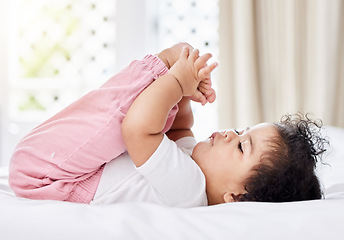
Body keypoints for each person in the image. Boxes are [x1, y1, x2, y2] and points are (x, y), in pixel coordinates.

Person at [8, 43, 327, 207]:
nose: (232, 133)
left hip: (53, 180)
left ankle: (161, 61)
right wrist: (187, 94)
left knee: (125, 111)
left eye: (242, 145)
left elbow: (137, 131)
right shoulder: (194, 164)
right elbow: (177, 131)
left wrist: (175, 79)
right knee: (161, 109)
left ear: (235, 198)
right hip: (73, 171)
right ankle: (162, 63)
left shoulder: (189, 190)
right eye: (242, 130)